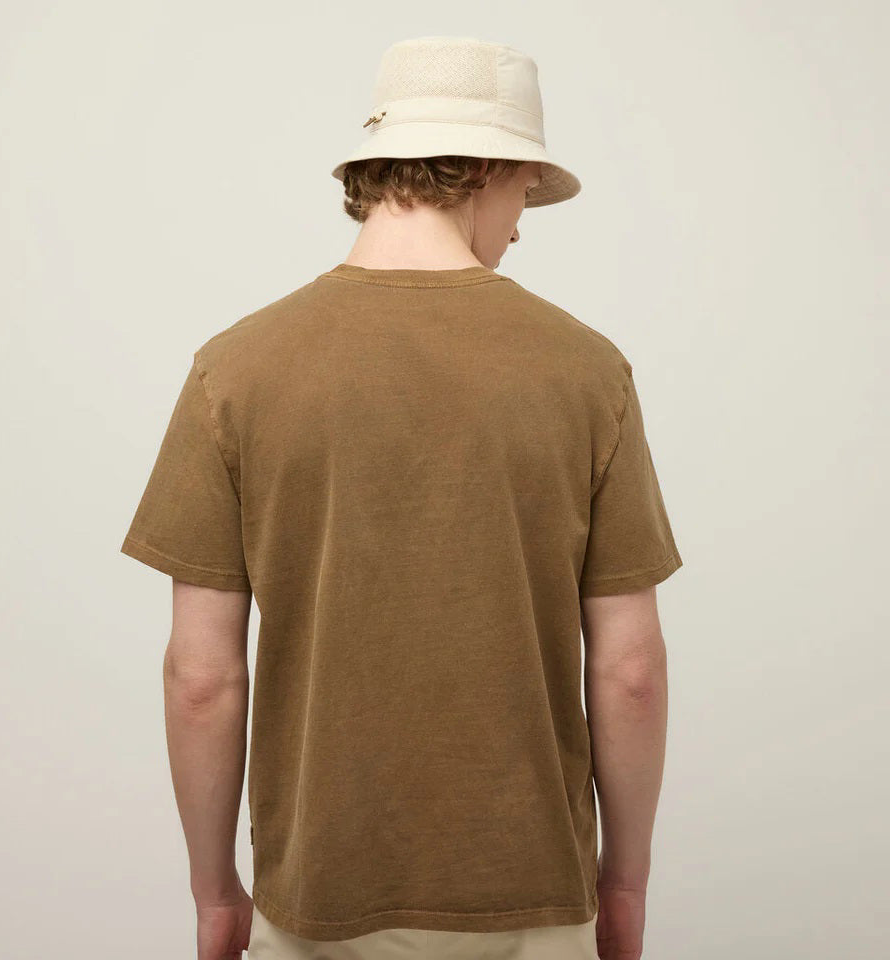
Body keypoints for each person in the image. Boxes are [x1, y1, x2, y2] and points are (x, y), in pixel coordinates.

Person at [120, 36, 682, 960]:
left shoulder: (236, 370)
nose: (522, 223)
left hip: (315, 903)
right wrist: (622, 880)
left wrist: (216, 890)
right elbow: (630, 673)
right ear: (488, 168)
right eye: (525, 192)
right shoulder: (588, 371)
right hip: (533, 902)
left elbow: (202, 679)